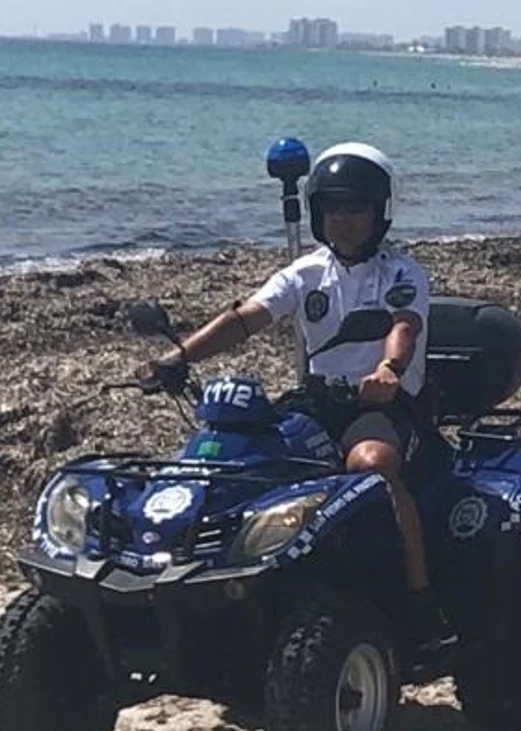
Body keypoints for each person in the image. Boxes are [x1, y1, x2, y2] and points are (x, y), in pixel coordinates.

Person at [134, 142, 451, 650]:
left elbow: (404, 326)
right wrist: (178, 359)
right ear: (317, 213)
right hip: (317, 403)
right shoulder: (307, 272)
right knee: (243, 460)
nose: (344, 221)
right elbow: (246, 318)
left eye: (356, 208)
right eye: (333, 209)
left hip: (381, 405)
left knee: (372, 465)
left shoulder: (402, 273)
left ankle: (419, 598)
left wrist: (390, 369)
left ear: (379, 212)